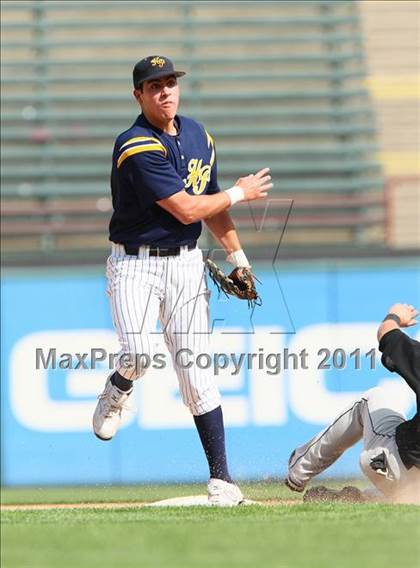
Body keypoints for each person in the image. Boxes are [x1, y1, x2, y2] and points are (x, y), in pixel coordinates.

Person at [92, 55, 273, 505]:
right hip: (135, 263)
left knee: (196, 372)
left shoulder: (198, 135)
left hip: (186, 264)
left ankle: (222, 480)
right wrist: (241, 190)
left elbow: (213, 204)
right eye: (154, 86)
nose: (165, 92)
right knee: (139, 352)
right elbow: (187, 208)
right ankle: (117, 387)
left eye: (170, 82)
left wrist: (238, 256)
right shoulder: (135, 144)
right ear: (138, 95)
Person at [285, 303, 420, 504]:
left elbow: (386, 333)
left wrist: (394, 316)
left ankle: (299, 471)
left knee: (374, 398)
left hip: (395, 467)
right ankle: (361, 498)